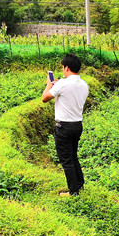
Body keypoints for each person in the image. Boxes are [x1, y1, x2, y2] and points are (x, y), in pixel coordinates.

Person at [42, 53, 89, 196]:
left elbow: (45, 98)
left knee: (66, 160)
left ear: (66, 67)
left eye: (63, 67)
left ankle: (73, 192)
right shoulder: (84, 84)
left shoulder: (62, 84)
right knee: (73, 156)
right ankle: (79, 184)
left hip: (64, 127)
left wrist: (49, 85)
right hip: (77, 125)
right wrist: (57, 86)